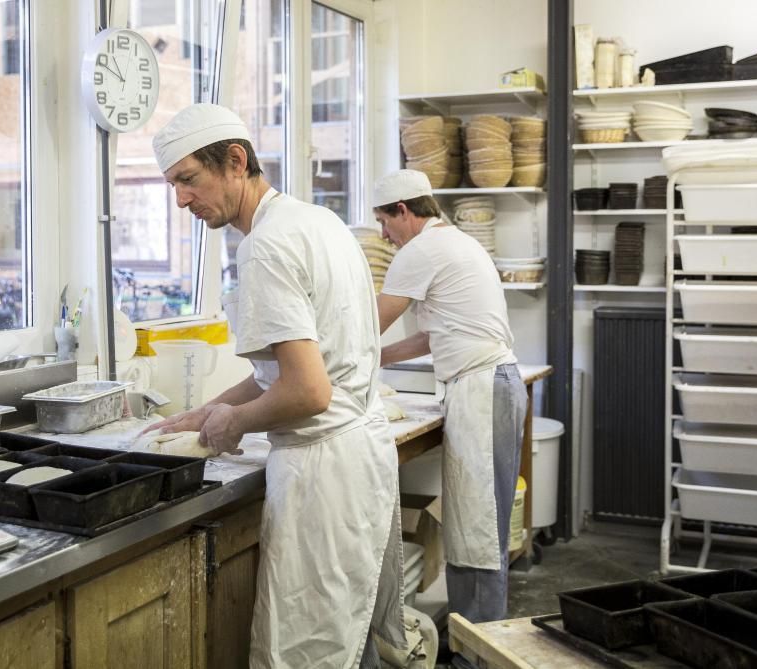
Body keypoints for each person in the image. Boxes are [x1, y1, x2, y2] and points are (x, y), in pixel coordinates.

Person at [143, 103, 406, 668]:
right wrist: (206, 410)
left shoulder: (264, 245)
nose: (181, 200)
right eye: (172, 185)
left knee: (312, 649)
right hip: (360, 457)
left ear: (235, 161)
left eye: (188, 180)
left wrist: (232, 424)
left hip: (323, 474)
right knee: (350, 634)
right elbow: (282, 371)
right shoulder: (318, 221)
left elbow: (309, 393)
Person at [371, 169, 526, 623]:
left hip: (483, 391)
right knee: (476, 523)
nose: (383, 235)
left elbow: (365, 324)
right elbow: (430, 337)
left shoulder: (420, 250)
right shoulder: (454, 242)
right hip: (492, 384)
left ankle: (478, 647)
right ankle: (476, 636)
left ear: (403, 210)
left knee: (477, 528)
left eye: (384, 222)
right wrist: (376, 358)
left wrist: (318, 358)